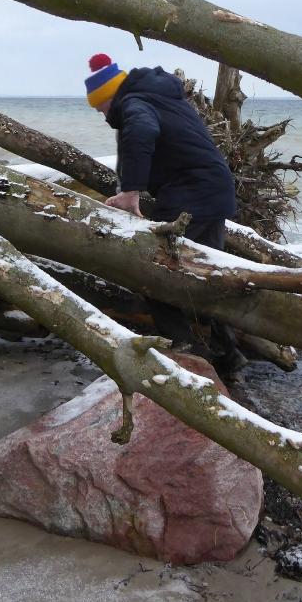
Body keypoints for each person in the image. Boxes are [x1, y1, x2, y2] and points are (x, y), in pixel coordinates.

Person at [84, 52, 245, 370]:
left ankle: (186, 349)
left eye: (100, 107)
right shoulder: (153, 95)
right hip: (211, 188)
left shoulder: (134, 103)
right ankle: (228, 353)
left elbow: (141, 132)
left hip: (193, 193)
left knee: (151, 270)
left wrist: (131, 192)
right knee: (207, 273)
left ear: (110, 97)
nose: (102, 116)